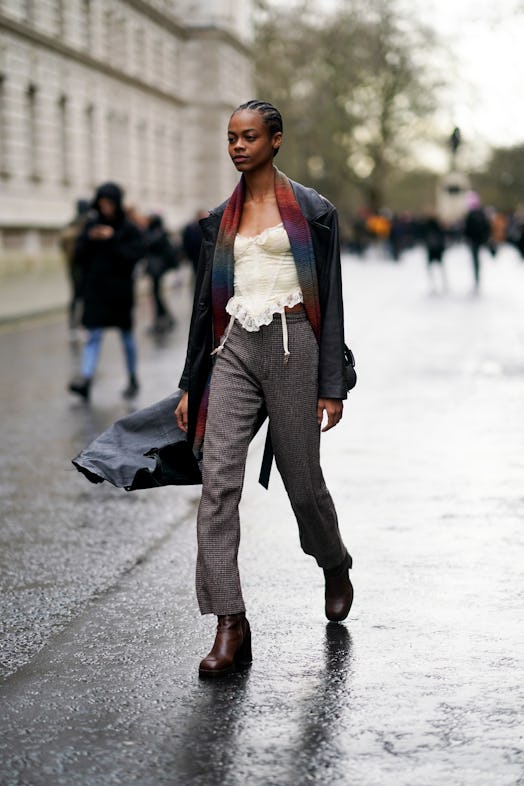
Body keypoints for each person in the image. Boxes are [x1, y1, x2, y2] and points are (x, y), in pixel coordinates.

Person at [174, 100, 354, 679]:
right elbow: (204, 306)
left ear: (275, 141)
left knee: (303, 485)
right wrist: (188, 384)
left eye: (249, 137)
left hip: (295, 344)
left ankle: (334, 562)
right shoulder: (218, 218)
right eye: (231, 137)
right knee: (218, 480)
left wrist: (331, 385)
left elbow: (332, 300)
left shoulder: (313, 211)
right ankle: (230, 620)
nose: (238, 147)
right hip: (234, 349)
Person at [68, 182, 144, 401]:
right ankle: (86, 380)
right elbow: (78, 256)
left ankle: (132, 377)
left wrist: (112, 239)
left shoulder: (128, 228)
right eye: (102, 203)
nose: (106, 208)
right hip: (96, 292)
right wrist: (91, 239)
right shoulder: (91, 225)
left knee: (127, 337)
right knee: (93, 335)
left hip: (120, 294)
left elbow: (134, 256)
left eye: (109, 203)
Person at [59, 198, 91, 336]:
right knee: (84, 296)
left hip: (72, 266)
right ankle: (82, 324)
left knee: (75, 296)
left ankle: (73, 325)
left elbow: (61, 246)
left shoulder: (70, 226)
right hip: (84, 267)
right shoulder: (85, 225)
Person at [143, 214, 178, 334]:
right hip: (156, 269)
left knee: (156, 294)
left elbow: (149, 242)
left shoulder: (158, 233)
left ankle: (162, 318)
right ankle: (164, 317)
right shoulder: (157, 232)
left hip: (156, 269)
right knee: (156, 294)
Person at [463, 193, 491, 293]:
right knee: (476, 261)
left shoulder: (472, 214)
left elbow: (467, 229)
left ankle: (477, 277)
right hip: (478, 240)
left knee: (476, 261)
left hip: (475, 241)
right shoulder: (480, 214)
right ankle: (477, 278)